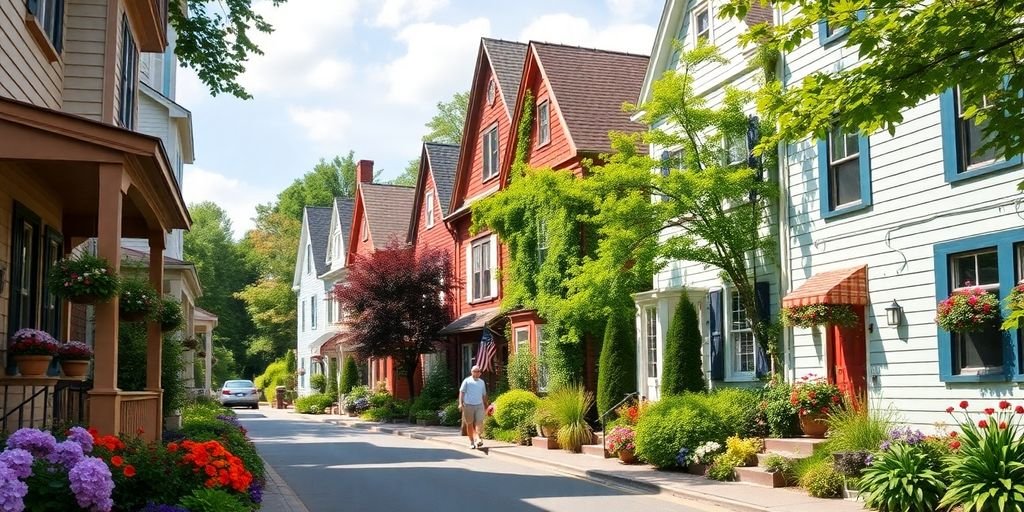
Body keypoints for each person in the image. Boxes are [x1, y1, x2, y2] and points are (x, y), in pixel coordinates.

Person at [458, 365, 488, 449]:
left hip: (479, 405)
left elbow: (484, 394)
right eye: (475, 371)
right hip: (468, 405)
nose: (477, 373)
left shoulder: (482, 382)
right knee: (469, 424)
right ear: (472, 372)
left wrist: (486, 405)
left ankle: (478, 438)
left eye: (478, 371)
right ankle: (471, 441)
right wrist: (460, 403)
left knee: (479, 422)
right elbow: (462, 392)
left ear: (480, 373)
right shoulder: (467, 381)